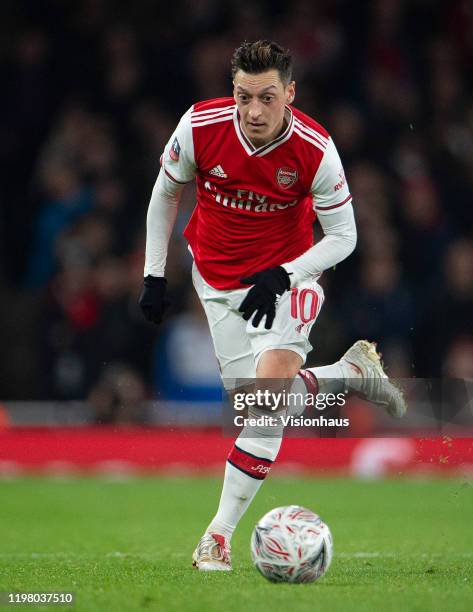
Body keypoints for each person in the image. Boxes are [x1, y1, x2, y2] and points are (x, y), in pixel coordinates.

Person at [139, 40, 406, 571]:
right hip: (215, 281)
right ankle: (347, 372)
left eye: (266, 98)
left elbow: (345, 236)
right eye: (243, 97)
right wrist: (153, 274)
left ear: (289, 93)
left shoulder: (315, 148)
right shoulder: (198, 127)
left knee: (263, 410)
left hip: (287, 282)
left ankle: (216, 537)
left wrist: (286, 272)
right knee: (255, 406)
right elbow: (165, 193)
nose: (253, 111)